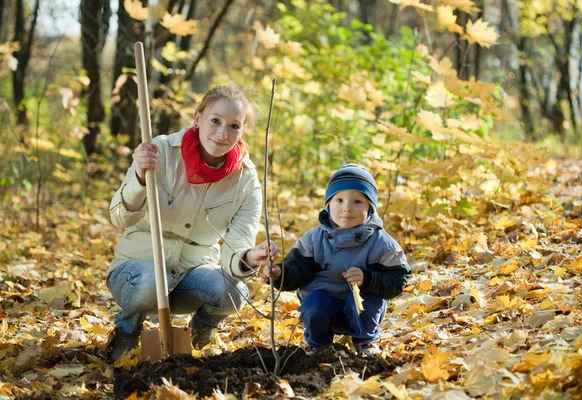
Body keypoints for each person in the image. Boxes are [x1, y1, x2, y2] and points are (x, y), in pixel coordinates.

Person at [106, 85, 278, 360]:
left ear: (243, 130)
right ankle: (126, 332)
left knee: (235, 292)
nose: (222, 133)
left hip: (191, 275)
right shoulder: (159, 150)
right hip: (137, 273)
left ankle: (200, 331)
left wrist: (250, 256)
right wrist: (139, 176)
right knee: (153, 279)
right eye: (215, 121)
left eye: (234, 126)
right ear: (198, 118)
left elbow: (235, 253)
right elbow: (120, 217)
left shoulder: (246, 181)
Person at [263, 164, 411, 356]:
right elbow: (298, 268)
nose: (347, 208)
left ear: (370, 207)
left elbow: (398, 279)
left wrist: (368, 279)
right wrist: (280, 273)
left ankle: (365, 341)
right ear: (328, 205)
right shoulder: (313, 240)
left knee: (368, 300)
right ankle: (318, 345)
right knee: (313, 303)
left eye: (357, 201)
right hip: (325, 305)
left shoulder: (382, 243)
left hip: (360, 309)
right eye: (339, 200)